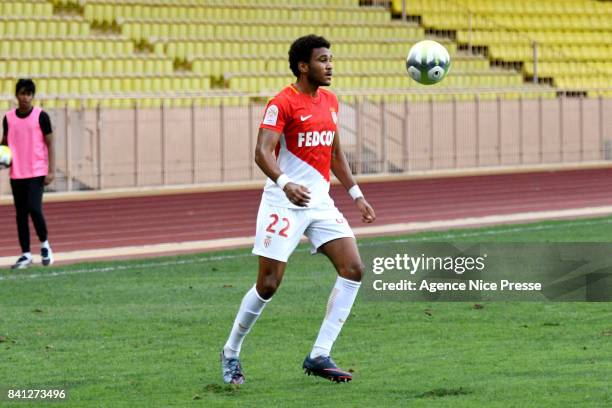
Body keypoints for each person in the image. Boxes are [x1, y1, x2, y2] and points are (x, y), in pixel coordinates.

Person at [221, 35, 376, 384]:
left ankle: (319, 354)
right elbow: (262, 152)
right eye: (323, 59)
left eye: (331, 58)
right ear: (303, 66)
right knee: (269, 284)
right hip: (283, 202)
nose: (330, 65)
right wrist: (285, 183)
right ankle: (231, 351)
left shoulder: (331, 101)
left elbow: (335, 154)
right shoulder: (282, 103)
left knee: (353, 268)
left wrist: (356, 195)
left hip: (319, 201)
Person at [0, 78, 55, 269]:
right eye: (21, 93)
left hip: (37, 171)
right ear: (16, 95)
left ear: (32, 96)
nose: (24, 97)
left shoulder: (41, 116)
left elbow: (50, 143)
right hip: (17, 173)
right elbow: (5, 142)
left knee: (34, 208)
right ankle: (25, 254)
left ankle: (45, 245)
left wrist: (51, 170)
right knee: (20, 215)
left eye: (28, 94)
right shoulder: (8, 118)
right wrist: (2, 157)